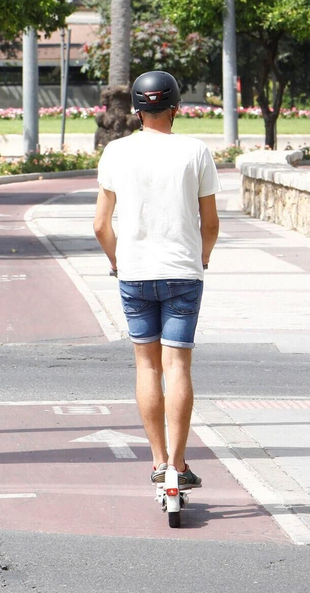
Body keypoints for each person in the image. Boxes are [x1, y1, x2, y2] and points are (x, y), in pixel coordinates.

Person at [92, 70, 220, 491]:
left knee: (146, 365)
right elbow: (210, 223)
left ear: (136, 109)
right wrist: (202, 257)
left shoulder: (116, 152)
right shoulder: (195, 151)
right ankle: (179, 466)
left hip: (135, 274)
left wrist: (118, 262)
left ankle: (158, 461)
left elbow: (100, 225)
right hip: (183, 272)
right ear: (176, 107)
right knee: (177, 365)